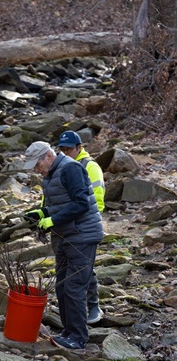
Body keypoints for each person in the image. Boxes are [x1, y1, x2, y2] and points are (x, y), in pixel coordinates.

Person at [23, 141, 104, 350]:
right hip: (65, 237)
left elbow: (81, 203)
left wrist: (53, 220)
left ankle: (78, 338)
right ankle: (68, 332)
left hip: (82, 236)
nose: (35, 170)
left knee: (74, 287)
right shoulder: (51, 174)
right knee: (62, 286)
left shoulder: (71, 168)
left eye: (36, 164)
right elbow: (60, 205)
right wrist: (41, 214)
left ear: (48, 156)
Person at [57, 130, 105, 324]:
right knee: (70, 268)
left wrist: (82, 221)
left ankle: (93, 306)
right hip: (64, 225)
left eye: (69, 149)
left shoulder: (90, 166)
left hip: (83, 225)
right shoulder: (61, 166)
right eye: (62, 149)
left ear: (79, 148)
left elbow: (97, 198)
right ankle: (75, 311)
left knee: (85, 267)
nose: (66, 152)